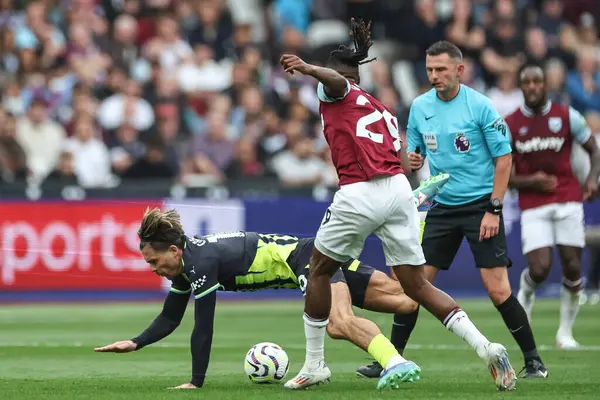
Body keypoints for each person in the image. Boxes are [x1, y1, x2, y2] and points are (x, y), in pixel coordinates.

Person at [279, 21, 516, 391]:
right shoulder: (377, 104)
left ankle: (314, 365)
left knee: (319, 270)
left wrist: (310, 69)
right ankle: (486, 347)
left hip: (362, 192)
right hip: (398, 190)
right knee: (416, 286)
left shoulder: (336, 91)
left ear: (339, 75)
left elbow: (334, 82)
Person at [362, 40, 544, 381]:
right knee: (413, 287)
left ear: (459, 70)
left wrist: (494, 208)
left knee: (498, 290)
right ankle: (390, 359)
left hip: (480, 207)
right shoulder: (419, 107)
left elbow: (504, 159)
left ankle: (534, 362)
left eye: (441, 69)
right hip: (441, 206)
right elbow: (412, 155)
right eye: (430, 70)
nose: (434, 76)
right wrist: (412, 159)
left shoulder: (480, 106)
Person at [505, 64, 600, 349]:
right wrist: (530, 180)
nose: (532, 87)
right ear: (521, 87)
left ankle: (565, 334)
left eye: (537, 81)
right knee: (540, 269)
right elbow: (505, 176)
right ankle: (526, 291)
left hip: (568, 198)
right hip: (533, 204)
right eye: (526, 82)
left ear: (546, 85)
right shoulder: (510, 124)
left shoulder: (567, 116)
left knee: (572, 267)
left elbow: (593, 150)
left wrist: (593, 180)